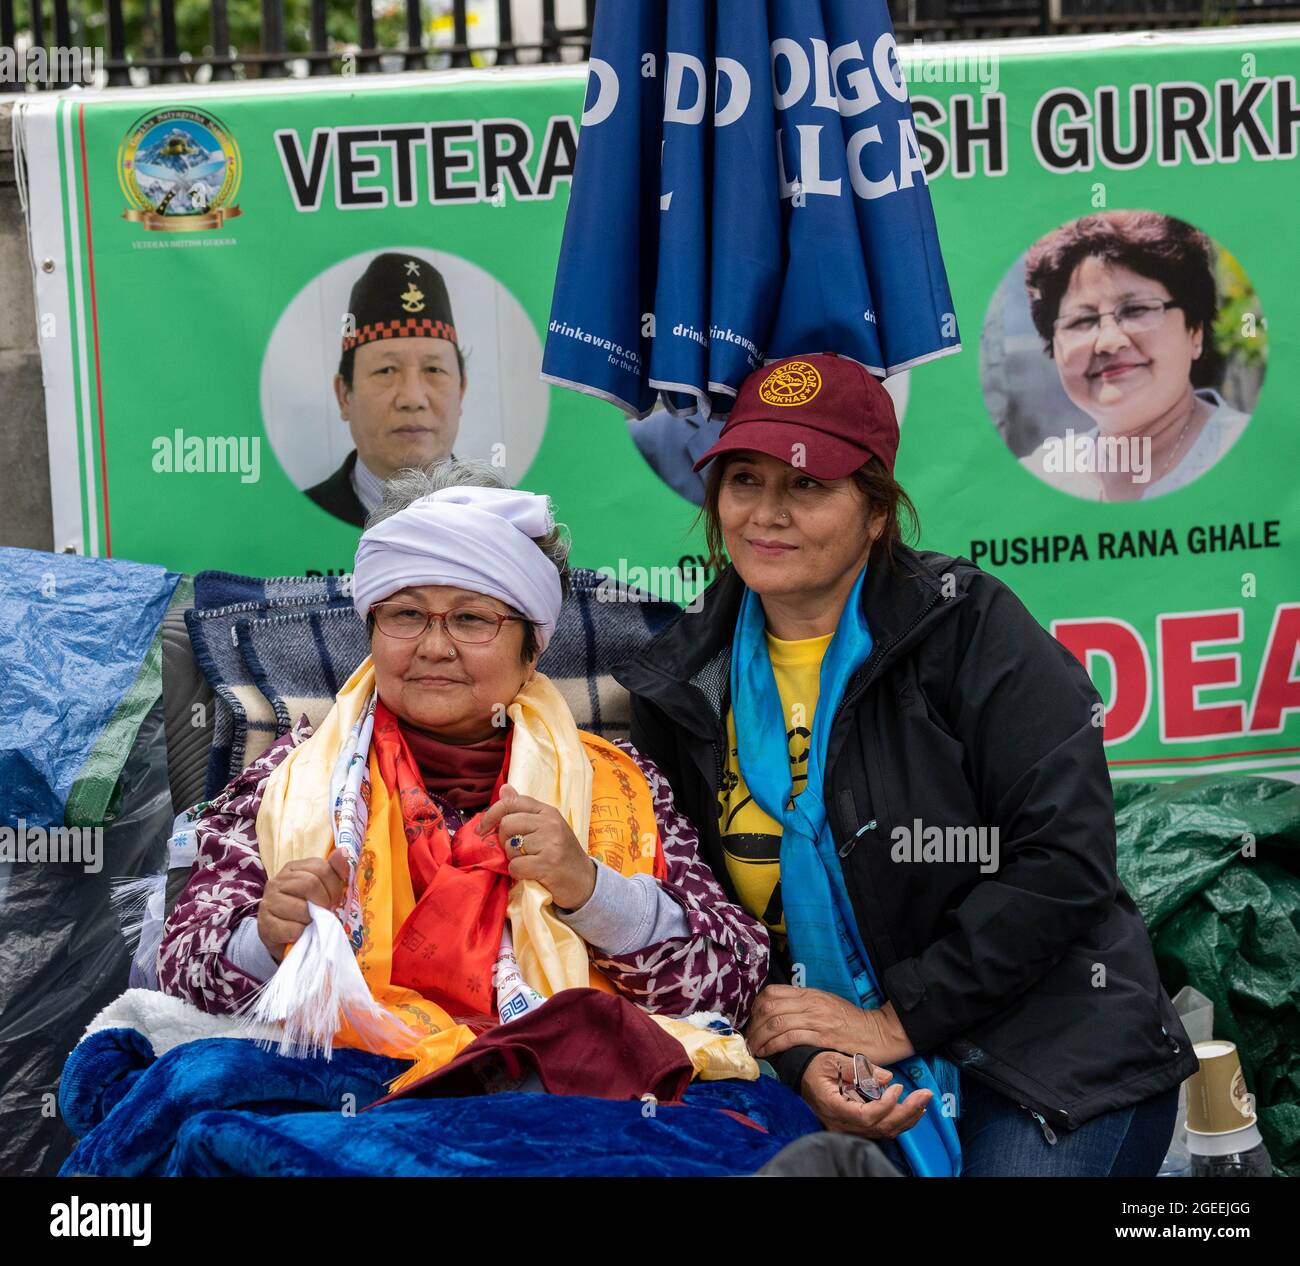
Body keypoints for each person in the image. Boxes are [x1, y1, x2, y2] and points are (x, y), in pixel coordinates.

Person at [616, 352, 1199, 1176]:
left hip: (1046, 1049)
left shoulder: (967, 629)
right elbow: (700, 927)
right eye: (744, 481)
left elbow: (1062, 862)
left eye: (807, 485)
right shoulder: (682, 681)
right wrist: (799, 1060)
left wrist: (894, 1023)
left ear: (878, 512)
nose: (766, 514)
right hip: (825, 1066)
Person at [159, 459, 768, 1089]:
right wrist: (266, 938)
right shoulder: (289, 779)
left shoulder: (615, 782)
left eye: (473, 619)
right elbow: (179, 967)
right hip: (356, 1086)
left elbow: (736, 978)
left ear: (534, 646)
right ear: (371, 630)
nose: (433, 647)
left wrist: (590, 890)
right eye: (405, 615)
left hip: (570, 1092)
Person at [1019, 210, 1250, 501]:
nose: (1109, 341)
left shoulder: (1262, 461)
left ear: (1195, 332)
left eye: (1136, 310)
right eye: (1081, 321)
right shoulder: (1037, 481)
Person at [305, 254, 467, 527]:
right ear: (344, 395)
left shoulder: (512, 520)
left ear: (461, 390)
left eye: (434, 370)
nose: (413, 399)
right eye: (386, 370)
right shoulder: (291, 522)